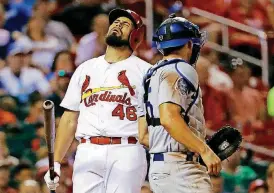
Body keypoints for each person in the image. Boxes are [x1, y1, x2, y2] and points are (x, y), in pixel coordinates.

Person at [44, 8, 151, 193]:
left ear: (136, 36)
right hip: (88, 149)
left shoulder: (147, 71)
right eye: (115, 22)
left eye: (125, 24)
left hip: (127, 149)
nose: (117, 25)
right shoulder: (85, 68)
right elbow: (69, 120)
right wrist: (56, 162)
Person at [138, 14, 221, 193]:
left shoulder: (148, 76)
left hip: (159, 169)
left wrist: (193, 146)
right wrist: (203, 150)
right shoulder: (181, 68)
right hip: (182, 171)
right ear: (190, 44)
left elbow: (143, 135)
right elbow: (169, 118)